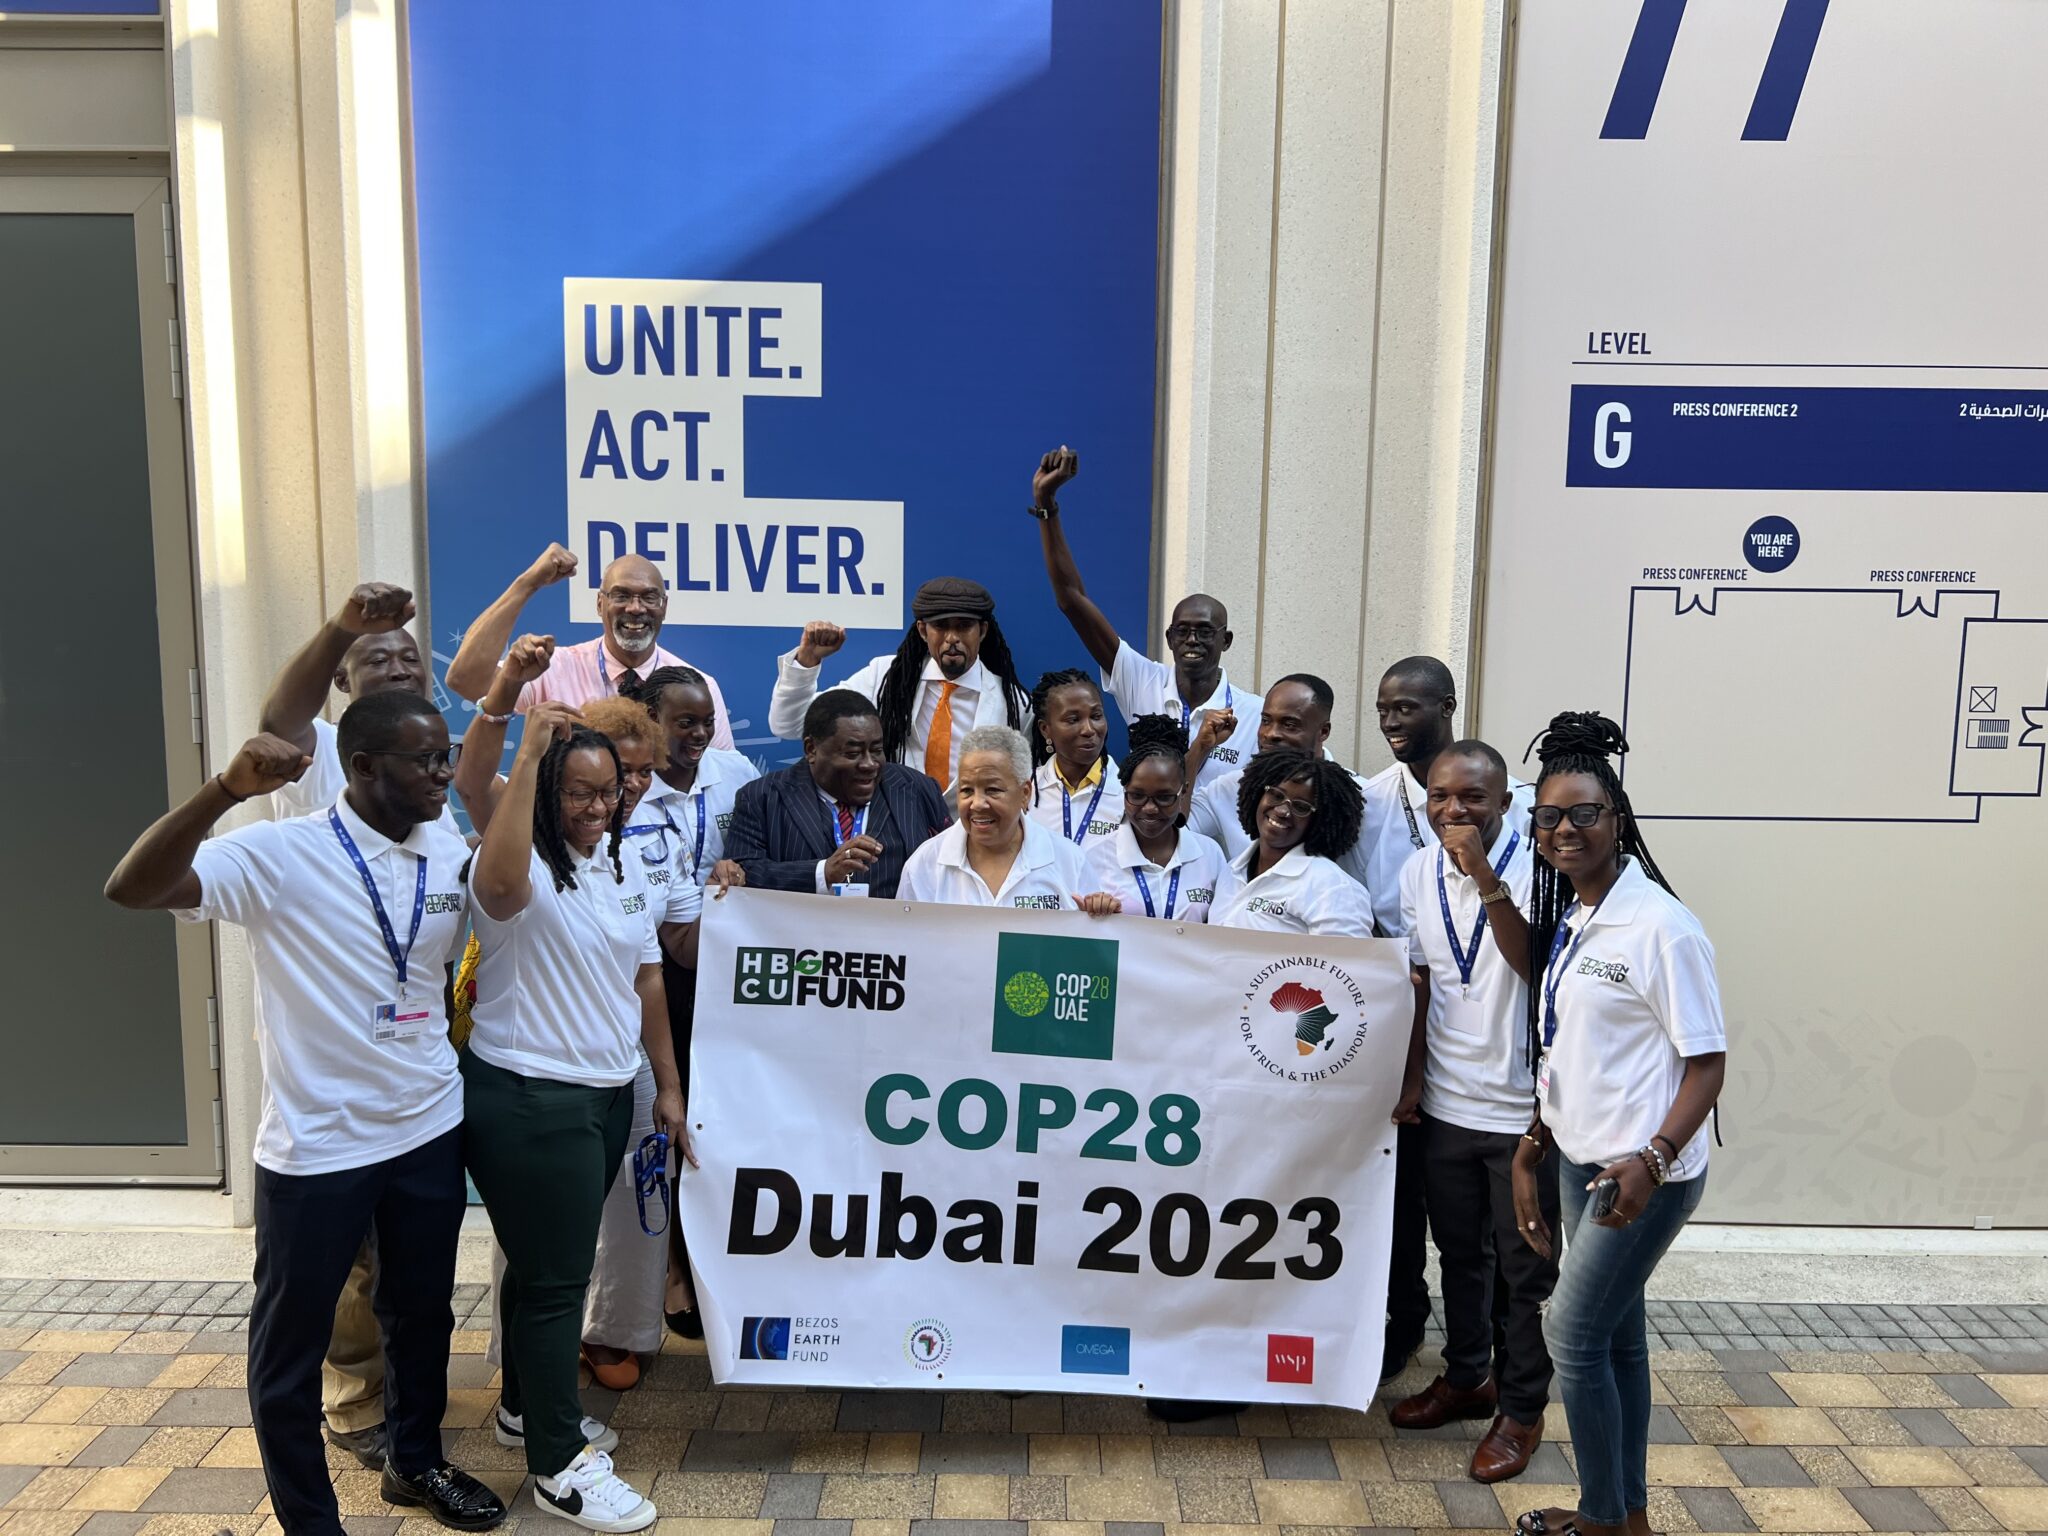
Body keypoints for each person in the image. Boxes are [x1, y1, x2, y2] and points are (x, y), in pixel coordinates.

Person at [104, 694, 504, 1536]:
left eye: (447, 757)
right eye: (426, 761)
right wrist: (223, 791)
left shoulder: (446, 849)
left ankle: (416, 1461)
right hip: (316, 1148)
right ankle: (309, 1521)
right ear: (361, 767)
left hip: (428, 1127)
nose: (445, 775)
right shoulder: (279, 853)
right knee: (290, 1351)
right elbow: (131, 888)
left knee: (423, 1314)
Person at [462, 703, 691, 1534]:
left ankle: (525, 1411)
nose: (600, 808)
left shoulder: (621, 867)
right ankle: (558, 1467)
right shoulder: (515, 869)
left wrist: (666, 1088)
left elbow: (648, 984)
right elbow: (492, 872)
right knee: (561, 1285)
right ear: (544, 795)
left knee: (540, 1268)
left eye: (613, 791)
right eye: (579, 795)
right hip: (531, 1097)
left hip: (605, 1095)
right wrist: (525, 754)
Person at [1508, 713, 1726, 1536]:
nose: (1565, 830)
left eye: (1584, 814)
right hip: (1579, 1155)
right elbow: (1573, 1046)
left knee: (1569, 1331)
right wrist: (1536, 1142)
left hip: (1639, 1173)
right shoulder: (1577, 913)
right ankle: (1628, 1517)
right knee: (1615, 1340)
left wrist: (1654, 1160)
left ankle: (1600, 1521)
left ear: (1618, 819)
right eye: (1549, 817)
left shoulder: (1661, 926)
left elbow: (1707, 1063)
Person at [254, 580, 452, 1468]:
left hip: (415, 1073)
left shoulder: (433, 787)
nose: (396, 661)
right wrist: (343, 623)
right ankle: (352, 1397)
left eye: (408, 655)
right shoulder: (325, 754)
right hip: (328, 1072)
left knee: (410, 1276)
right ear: (341, 686)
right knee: (344, 1270)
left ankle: (416, 1438)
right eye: (375, 658)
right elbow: (278, 711)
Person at [1388, 740, 1557, 1483]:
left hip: (1526, 1111)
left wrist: (1484, 877)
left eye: (1472, 799)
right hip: (1451, 1105)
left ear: (1505, 802)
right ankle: (1466, 1377)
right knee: (1458, 1255)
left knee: (1525, 1275)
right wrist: (1415, 1080)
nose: (1453, 811)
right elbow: (1425, 981)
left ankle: (1521, 1412)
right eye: (1439, 797)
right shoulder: (1415, 871)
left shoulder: (1539, 864)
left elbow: (1537, 968)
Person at [623, 664, 759, 1338]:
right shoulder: (627, 792)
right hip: (656, 974)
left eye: (706, 719)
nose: (700, 733)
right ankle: (674, 1270)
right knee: (671, 1125)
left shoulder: (735, 775)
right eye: (684, 722)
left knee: (727, 1121)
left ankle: (724, 1263)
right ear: (650, 724)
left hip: (732, 972)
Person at [1027, 446, 1259, 790]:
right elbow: (1071, 600)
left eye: (1205, 632)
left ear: (1226, 640)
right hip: (1147, 839)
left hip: (1219, 847)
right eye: (1182, 631)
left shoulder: (1254, 713)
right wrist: (1046, 505)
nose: (1192, 640)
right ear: (1168, 638)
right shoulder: (1143, 681)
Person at [442, 544, 735, 742]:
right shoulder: (553, 669)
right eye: (621, 596)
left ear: (664, 606)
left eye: (648, 597)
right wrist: (527, 583)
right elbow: (465, 680)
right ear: (599, 603)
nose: (635, 608)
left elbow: (721, 780)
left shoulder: (699, 688)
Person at [765, 576, 1029, 793]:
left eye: (964, 627)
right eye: (940, 626)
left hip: (975, 839)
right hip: (895, 837)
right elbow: (790, 724)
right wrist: (807, 661)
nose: (952, 638)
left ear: (982, 631)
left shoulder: (1014, 704)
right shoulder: (885, 678)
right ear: (923, 630)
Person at [1358, 655, 1532, 936]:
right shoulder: (1367, 805)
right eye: (1382, 711)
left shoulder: (1521, 805)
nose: (1389, 723)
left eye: (1404, 708)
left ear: (1447, 706)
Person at [721, 691, 951, 901]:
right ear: (811, 749)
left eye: (877, 750)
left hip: (898, 941)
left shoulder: (918, 789)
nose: (870, 764)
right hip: (803, 942)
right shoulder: (761, 798)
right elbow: (740, 874)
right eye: (853, 753)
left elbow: (951, 866)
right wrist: (823, 873)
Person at [898, 725, 1088, 908]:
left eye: (993, 790)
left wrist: (1102, 915)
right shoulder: (924, 865)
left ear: (1025, 794)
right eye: (966, 790)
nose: (977, 803)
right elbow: (905, 938)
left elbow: (1093, 938)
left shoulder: (1070, 861)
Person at [1075, 714, 1235, 924]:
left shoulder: (1209, 854)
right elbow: (1079, 935)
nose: (1150, 808)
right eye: (1137, 796)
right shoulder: (1094, 855)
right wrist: (1094, 913)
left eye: (1164, 797)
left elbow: (1222, 927)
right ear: (1124, 791)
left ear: (1183, 792)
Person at [1210, 749, 1373, 937]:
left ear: (1320, 820)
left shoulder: (1333, 888)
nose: (1282, 811)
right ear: (1257, 794)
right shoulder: (1231, 870)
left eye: (1300, 807)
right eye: (1276, 795)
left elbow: (1346, 965)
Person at [1025, 669, 1122, 855]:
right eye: (1073, 719)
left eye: (1096, 716)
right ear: (1046, 729)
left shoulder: (1129, 792)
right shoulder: (1025, 792)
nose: (1088, 730)